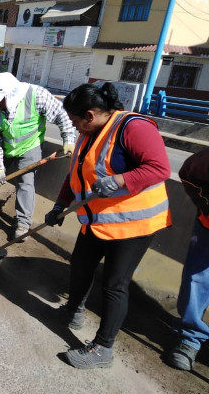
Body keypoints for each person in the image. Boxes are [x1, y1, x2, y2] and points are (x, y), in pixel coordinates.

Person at [44, 83, 171, 369]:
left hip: (134, 224)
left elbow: (160, 167)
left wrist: (120, 180)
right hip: (98, 219)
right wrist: (59, 205)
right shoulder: (89, 132)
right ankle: (73, 310)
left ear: (89, 115)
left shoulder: (133, 128)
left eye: (76, 121)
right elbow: (77, 172)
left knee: (114, 284)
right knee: (81, 265)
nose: (74, 128)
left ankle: (103, 348)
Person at [0, 72, 76, 240]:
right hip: (4, 146)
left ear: (11, 94)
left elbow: (61, 115)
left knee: (25, 183)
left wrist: (68, 139)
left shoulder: (36, 95)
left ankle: (23, 223)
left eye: (1, 99)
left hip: (29, 146)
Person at [164, 149, 209, 371]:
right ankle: (191, 336)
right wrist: (207, 206)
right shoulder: (203, 163)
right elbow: (189, 172)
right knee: (198, 280)